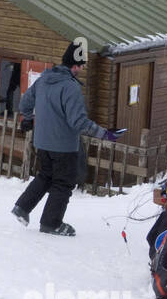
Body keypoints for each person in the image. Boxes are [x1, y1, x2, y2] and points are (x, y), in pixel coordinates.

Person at [10, 41, 118, 236]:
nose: (83, 68)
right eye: (82, 65)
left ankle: (22, 208)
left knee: (45, 175)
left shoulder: (44, 79)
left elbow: (25, 102)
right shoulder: (71, 87)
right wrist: (104, 134)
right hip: (63, 145)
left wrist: (27, 117)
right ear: (75, 65)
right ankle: (51, 223)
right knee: (63, 183)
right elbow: (78, 121)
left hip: (42, 142)